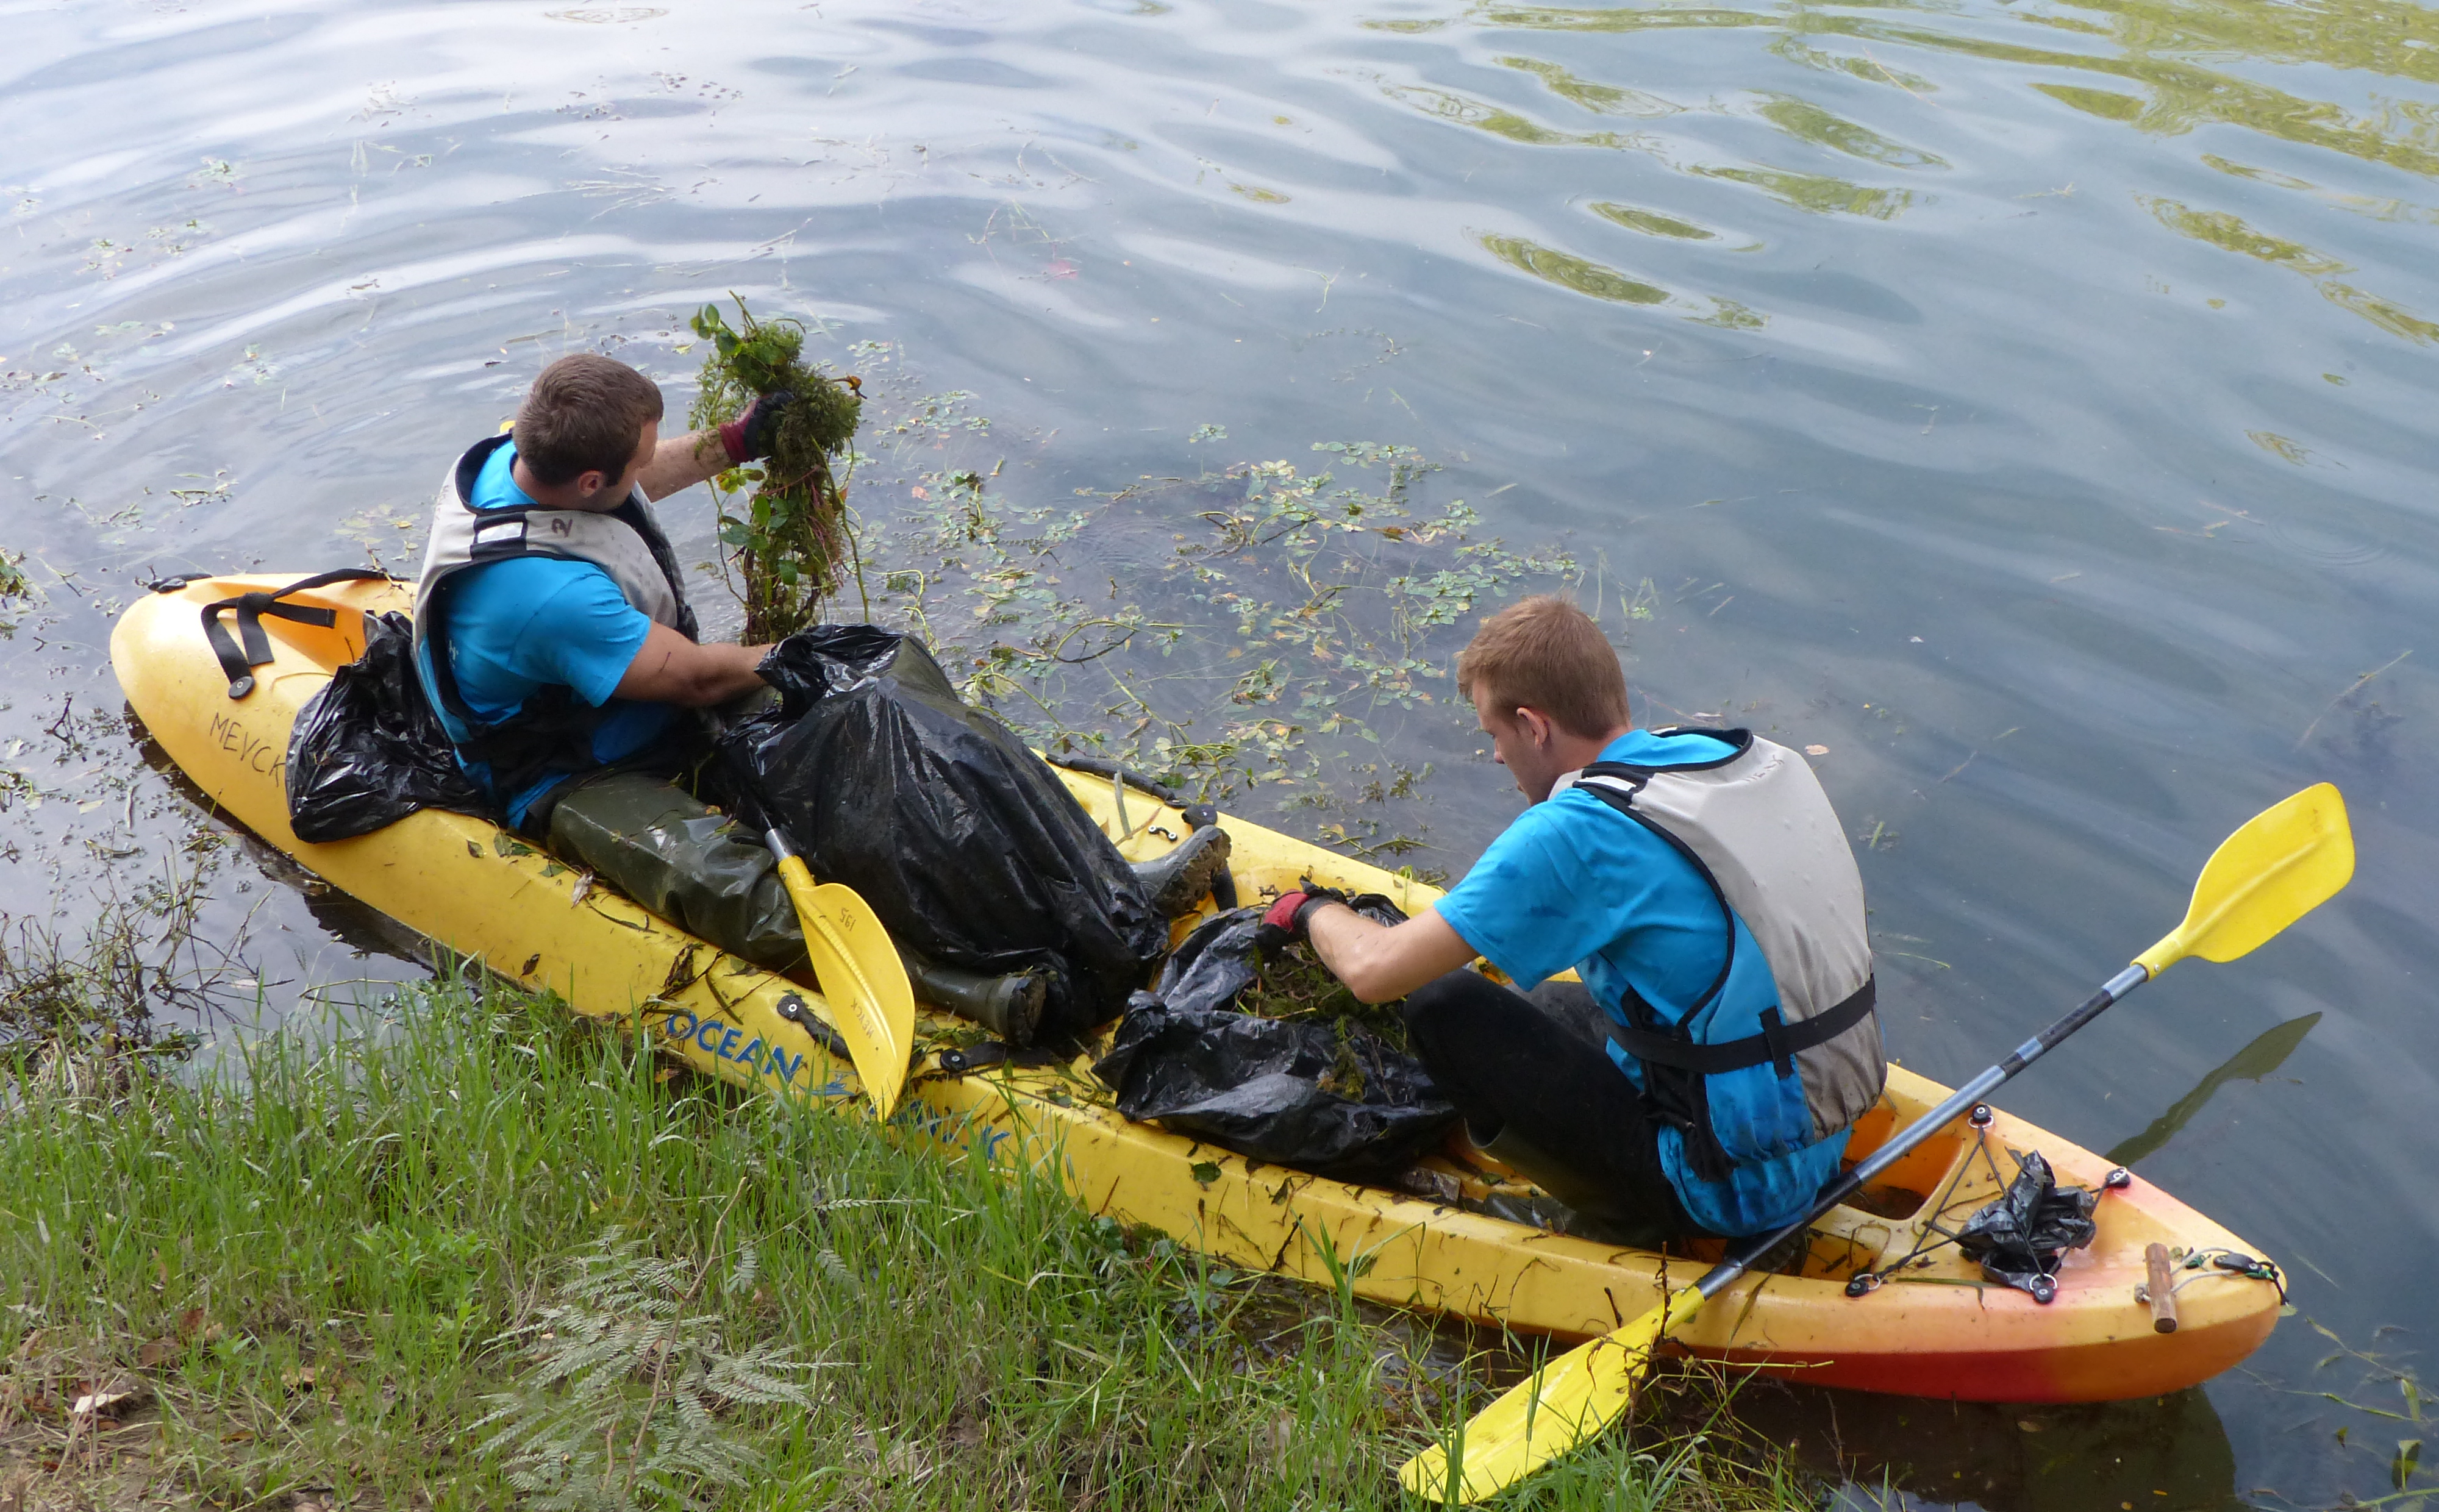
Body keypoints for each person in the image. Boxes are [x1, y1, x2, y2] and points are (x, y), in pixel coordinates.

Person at [413, 352, 1224, 1039]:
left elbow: (633, 483)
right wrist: (796, 654)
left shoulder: (524, 457)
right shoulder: (543, 600)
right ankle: (963, 986)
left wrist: (740, 440)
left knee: (891, 715)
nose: (647, 468)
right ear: (589, 476)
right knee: (723, 881)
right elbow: (695, 674)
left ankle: (1108, 882)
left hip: (640, 698)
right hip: (565, 769)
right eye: (636, 457)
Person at [1258, 595, 1885, 1247]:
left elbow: (1372, 972)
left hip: (1723, 1188)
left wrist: (1308, 911)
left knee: (1442, 1006)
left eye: (1492, 736)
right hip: (1824, 1117)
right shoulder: (1751, 760)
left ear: (1533, 726)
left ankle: (1623, 1222)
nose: (1496, 758)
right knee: (1531, 1001)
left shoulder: (1578, 831)